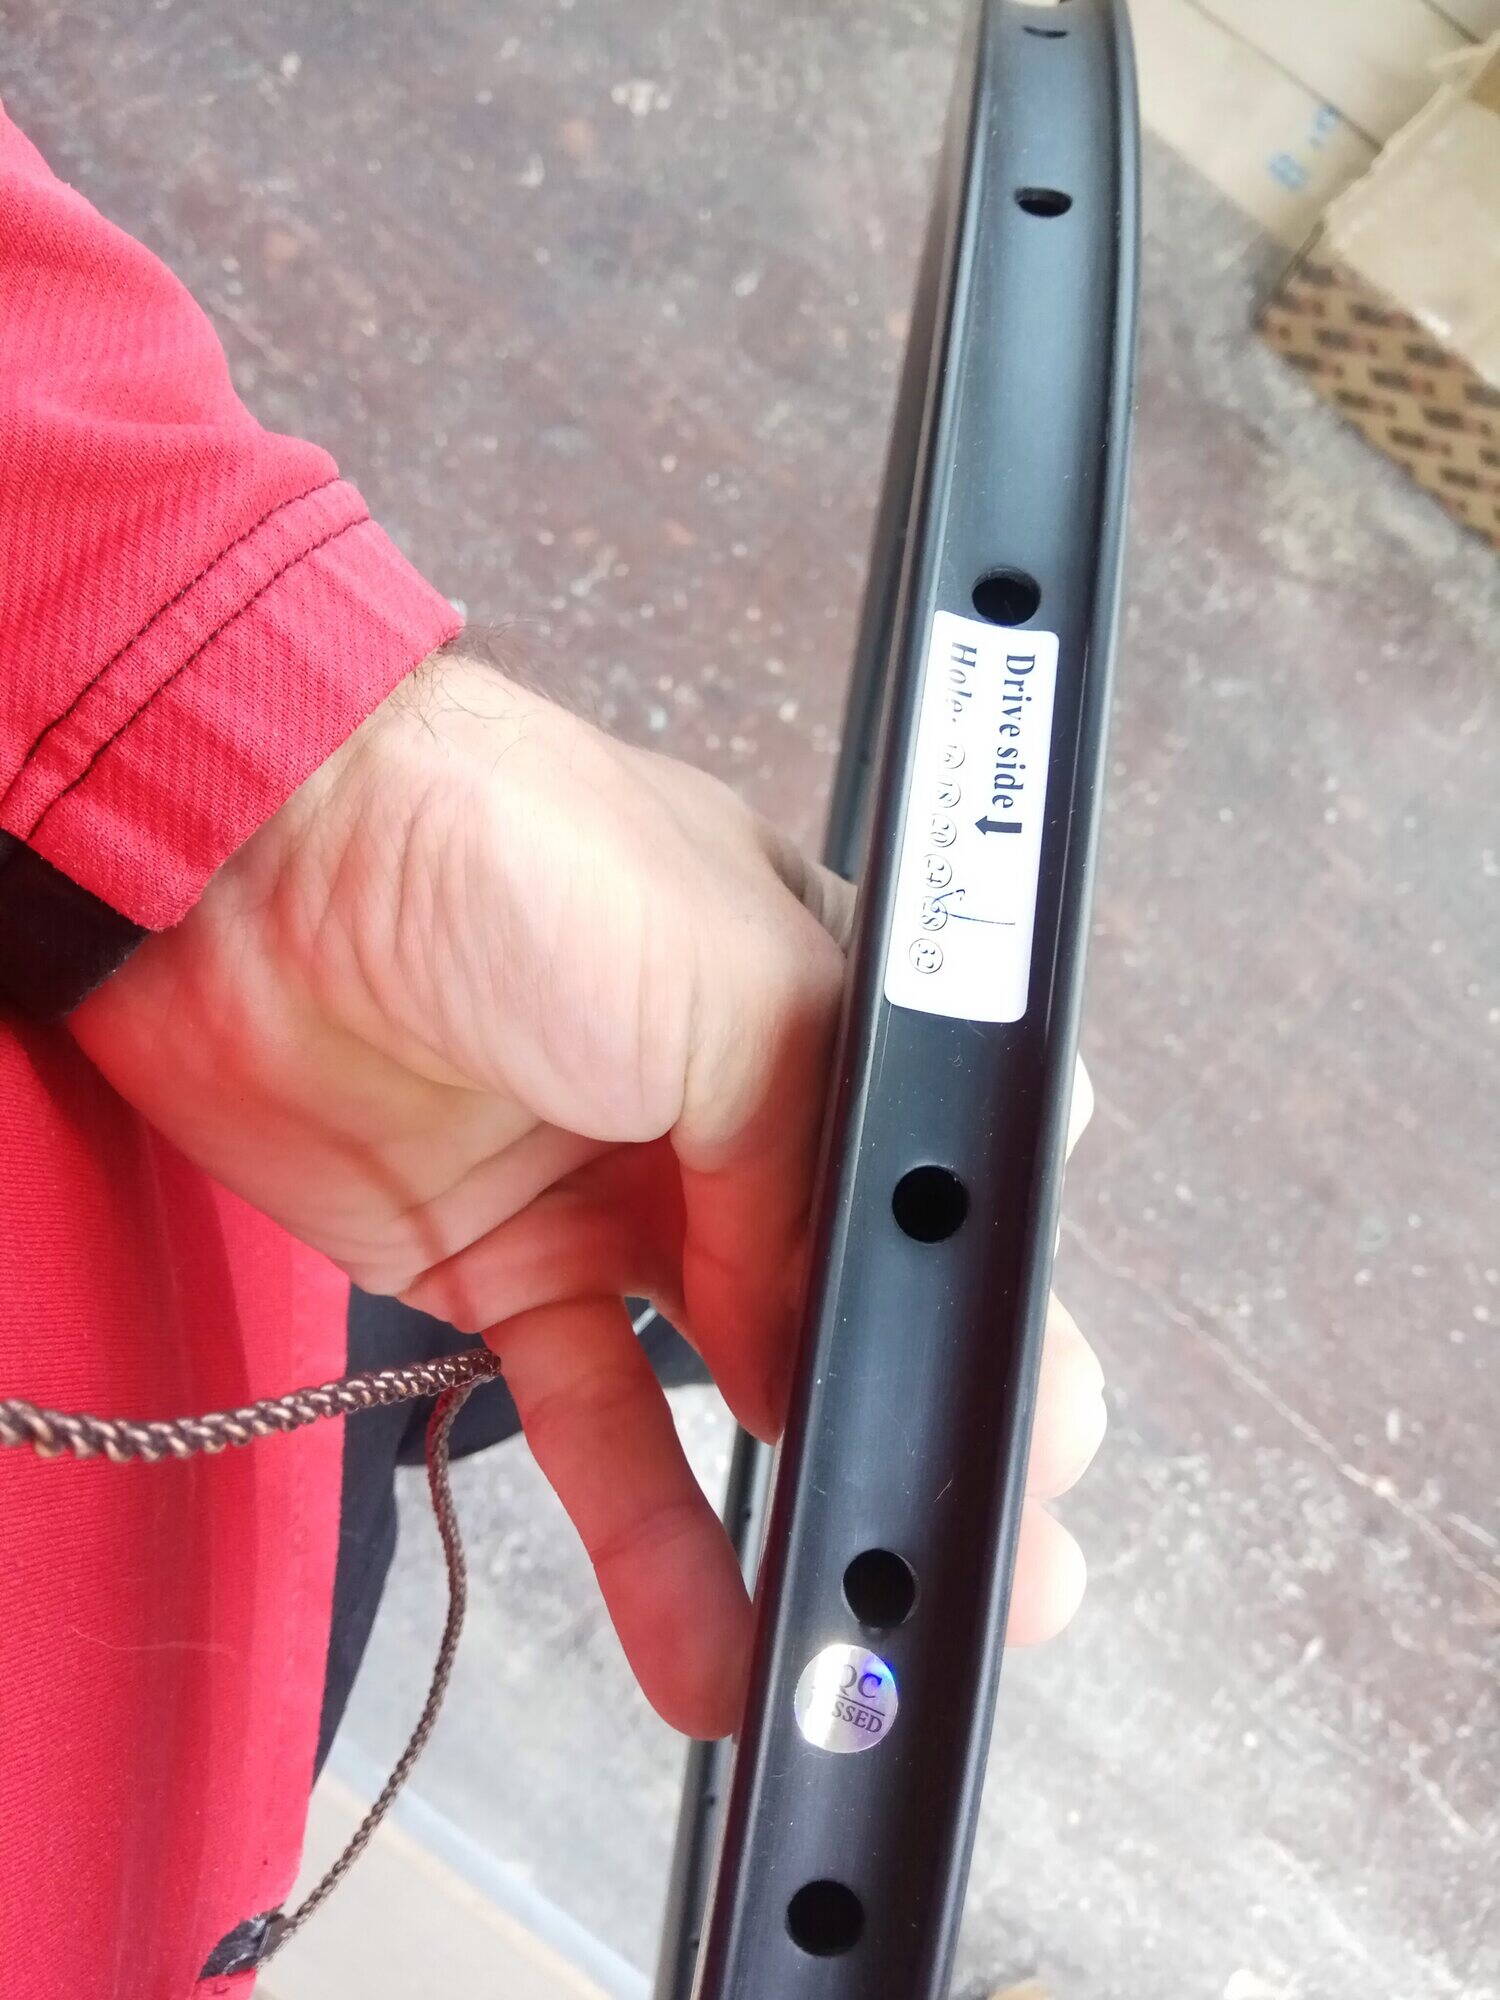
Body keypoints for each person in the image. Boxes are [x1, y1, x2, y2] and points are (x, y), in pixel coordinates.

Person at [0, 102, 1107, 1996]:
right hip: (184, 1670)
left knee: (704, 1250)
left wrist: (209, 732)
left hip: (181, 1131)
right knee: (686, 1287)